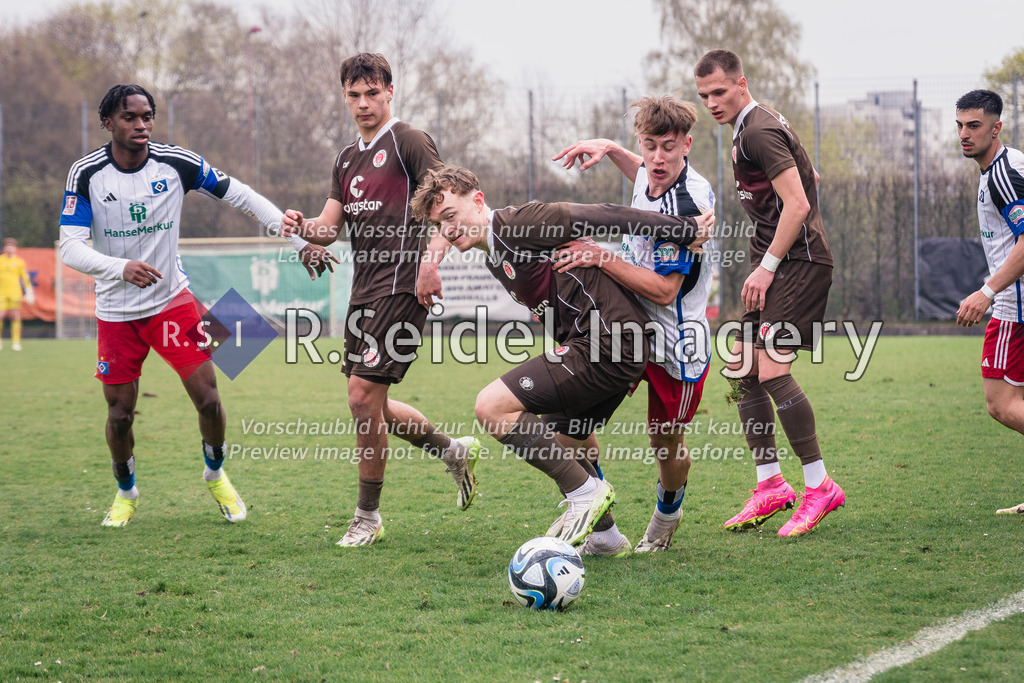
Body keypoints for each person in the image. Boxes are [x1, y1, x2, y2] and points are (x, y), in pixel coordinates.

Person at [58, 84, 327, 528]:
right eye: (130, 117)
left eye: (147, 116)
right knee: (120, 414)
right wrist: (120, 267)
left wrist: (299, 241)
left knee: (208, 398)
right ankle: (126, 492)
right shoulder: (87, 173)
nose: (141, 125)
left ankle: (216, 474)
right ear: (108, 123)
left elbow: (241, 195)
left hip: (172, 301)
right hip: (116, 313)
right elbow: (69, 247)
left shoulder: (176, 162)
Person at [409, 165, 713, 546]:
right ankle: (606, 539)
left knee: (491, 407)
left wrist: (683, 229)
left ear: (478, 200)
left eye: (451, 216)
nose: (448, 230)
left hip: (611, 344)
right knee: (562, 441)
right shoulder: (492, 251)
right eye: (439, 224)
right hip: (604, 346)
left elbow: (605, 214)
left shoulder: (520, 223)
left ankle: (587, 494)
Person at [281, 53, 481, 547]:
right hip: (364, 291)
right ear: (344, 97)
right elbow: (328, 228)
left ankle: (367, 517)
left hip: (405, 285)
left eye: (373, 93)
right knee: (374, 404)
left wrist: (432, 262)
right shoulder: (346, 159)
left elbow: (447, 206)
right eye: (354, 95)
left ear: (390, 91)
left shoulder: (409, 141)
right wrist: (300, 228)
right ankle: (452, 451)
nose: (364, 103)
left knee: (360, 397)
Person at [549, 95, 716, 555]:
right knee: (569, 426)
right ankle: (603, 530)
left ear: (687, 143)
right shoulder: (648, 170)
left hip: (674, 347)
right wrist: (610, 146)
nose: (657, 159)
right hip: (624, 330)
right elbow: (639, 172)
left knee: (665, 444)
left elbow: (664, 292)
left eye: (667, 147)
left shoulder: (687, 204)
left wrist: (600, 255)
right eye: (648, 146)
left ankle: (667, 512)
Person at [694, 49, 844, 537]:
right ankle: (770, 486)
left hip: (797, 262)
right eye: (704, 96)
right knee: (741, 367)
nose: (712, 102)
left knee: (773, 367)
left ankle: (819, 487)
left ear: (741, 83)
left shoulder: (756, 128)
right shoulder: (750, 127)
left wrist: (765, 266)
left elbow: (798, 202)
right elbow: (810, 178)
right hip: (778, 261)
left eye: (719, 91)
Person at [954, 89, 1024, 514]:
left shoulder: (1002, 174)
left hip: (1015, 308)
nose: (964, 133)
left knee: (1000, 404)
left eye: (974, 126)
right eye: (960, 125)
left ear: (996, 128)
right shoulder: (1003, 166)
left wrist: (987, 291)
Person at [0, 238, 35, 351]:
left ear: (15, 248)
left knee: (15, 316)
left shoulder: (19, 262)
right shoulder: (1, 260)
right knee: (0, 316)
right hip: (1, 293)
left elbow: (25, 278)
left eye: (12, 246)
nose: (9, 248)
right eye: (7, 246)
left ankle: (16, 342)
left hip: (15, 292)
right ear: (5, 248)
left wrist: (29, 291)